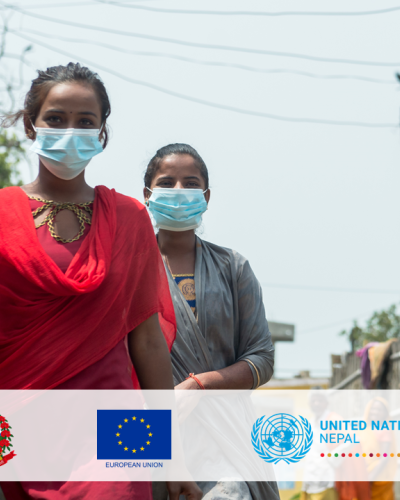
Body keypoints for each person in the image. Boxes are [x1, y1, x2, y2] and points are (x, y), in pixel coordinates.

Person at [0, 63, 202, 500]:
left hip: (117, 422)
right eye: (55, 119)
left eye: (85, 121)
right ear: (32, 126)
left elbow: (147, 341)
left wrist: (174, 453)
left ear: (102, 133)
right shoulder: (1, 215)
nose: (70, 131)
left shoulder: (128, 218)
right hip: (21, 422)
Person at [143, 143, 280, 500]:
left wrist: (198, 385)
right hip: (149, 432)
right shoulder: (128, 268)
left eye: (190, 184)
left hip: (226, 438)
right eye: (167, 182)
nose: (178, 192)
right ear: (147, 194)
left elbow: (261, 361)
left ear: (206, 196)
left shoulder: (233, 268)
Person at [361, 398, 396, 500]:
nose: (375, 412)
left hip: (378, 477)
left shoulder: (384, 430)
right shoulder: (365, 429)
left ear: (385, 413)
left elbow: (384, 458)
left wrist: (371, 478)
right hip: (364, 473)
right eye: (373, 409)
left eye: (379, 410)